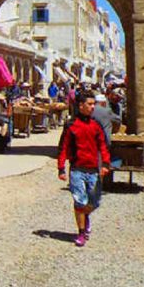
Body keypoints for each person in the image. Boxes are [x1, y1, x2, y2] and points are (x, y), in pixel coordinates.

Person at [57, 92, 110, 247]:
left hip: (93, 170)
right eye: (90, 104)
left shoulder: (96, 126)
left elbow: (103, 146)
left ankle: (84, 218)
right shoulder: (71, 125)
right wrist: (61, 168)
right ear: (81, 106)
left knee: (94, 202)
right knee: (80, 201)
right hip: (77, 170)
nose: (93, 107)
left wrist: (105, 164)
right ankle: (81, 232)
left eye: (94, 104)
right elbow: (63, 147)